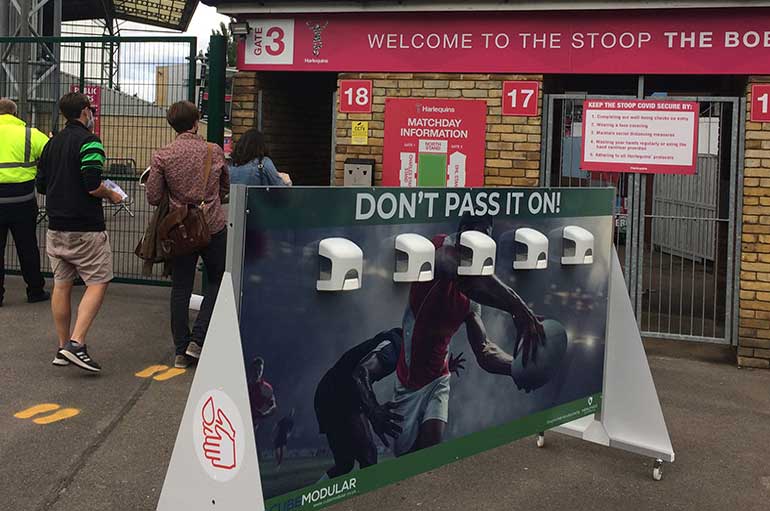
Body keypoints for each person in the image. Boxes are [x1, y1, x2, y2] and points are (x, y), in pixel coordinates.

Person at [391, 215, 545, 457]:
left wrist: (518, 369)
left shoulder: (472, 300)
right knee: (405, 458)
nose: (482, 242)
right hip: (407, 383)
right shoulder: (439, 249)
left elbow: (484, 351)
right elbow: (468, 280)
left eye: (487, 237)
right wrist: (518, 307)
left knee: (429, 451)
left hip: (438, 380)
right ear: (462, 233)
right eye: (477, 235)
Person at [36, 92, 123, 373]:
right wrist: (111, 194)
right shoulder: (90, 142)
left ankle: (63, 347)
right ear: (85, 111)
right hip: (86, 227)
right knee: (98, 280)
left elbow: (40, 185)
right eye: (91, 110)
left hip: (56, 226)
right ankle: (77, 342)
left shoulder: (51, 144)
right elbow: (92, 184)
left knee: (62, 285)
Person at [146, 101, 229, 369]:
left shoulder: (162, 155)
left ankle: (181, 350)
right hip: (212, 224)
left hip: (180, 229)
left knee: (180, 287)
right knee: (219, 279)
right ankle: (199, 338)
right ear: (195, 122)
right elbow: (225, 185)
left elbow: (153, 196)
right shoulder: (213, 151)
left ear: (173, 125)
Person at [314, 328, 408, 479]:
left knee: (345, 464)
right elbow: (360, 373)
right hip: (338, 393)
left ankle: (316, 496)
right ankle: (369, 500)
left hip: (330, 391)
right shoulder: (394, 346)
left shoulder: (403, 347)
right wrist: (374, 411)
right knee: (368, 456)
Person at [0, 98, 50, 307]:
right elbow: (51, 154)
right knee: (27, 246)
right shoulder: (31, 134)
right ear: (15, 113)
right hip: (23, 201)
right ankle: (35, 290)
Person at [248, 357, 277, 435]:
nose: (257, 372)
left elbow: (273, 407)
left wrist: (263, 415)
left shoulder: (266, 388)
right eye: (255, 369)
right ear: (251, 370)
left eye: (260, 370)